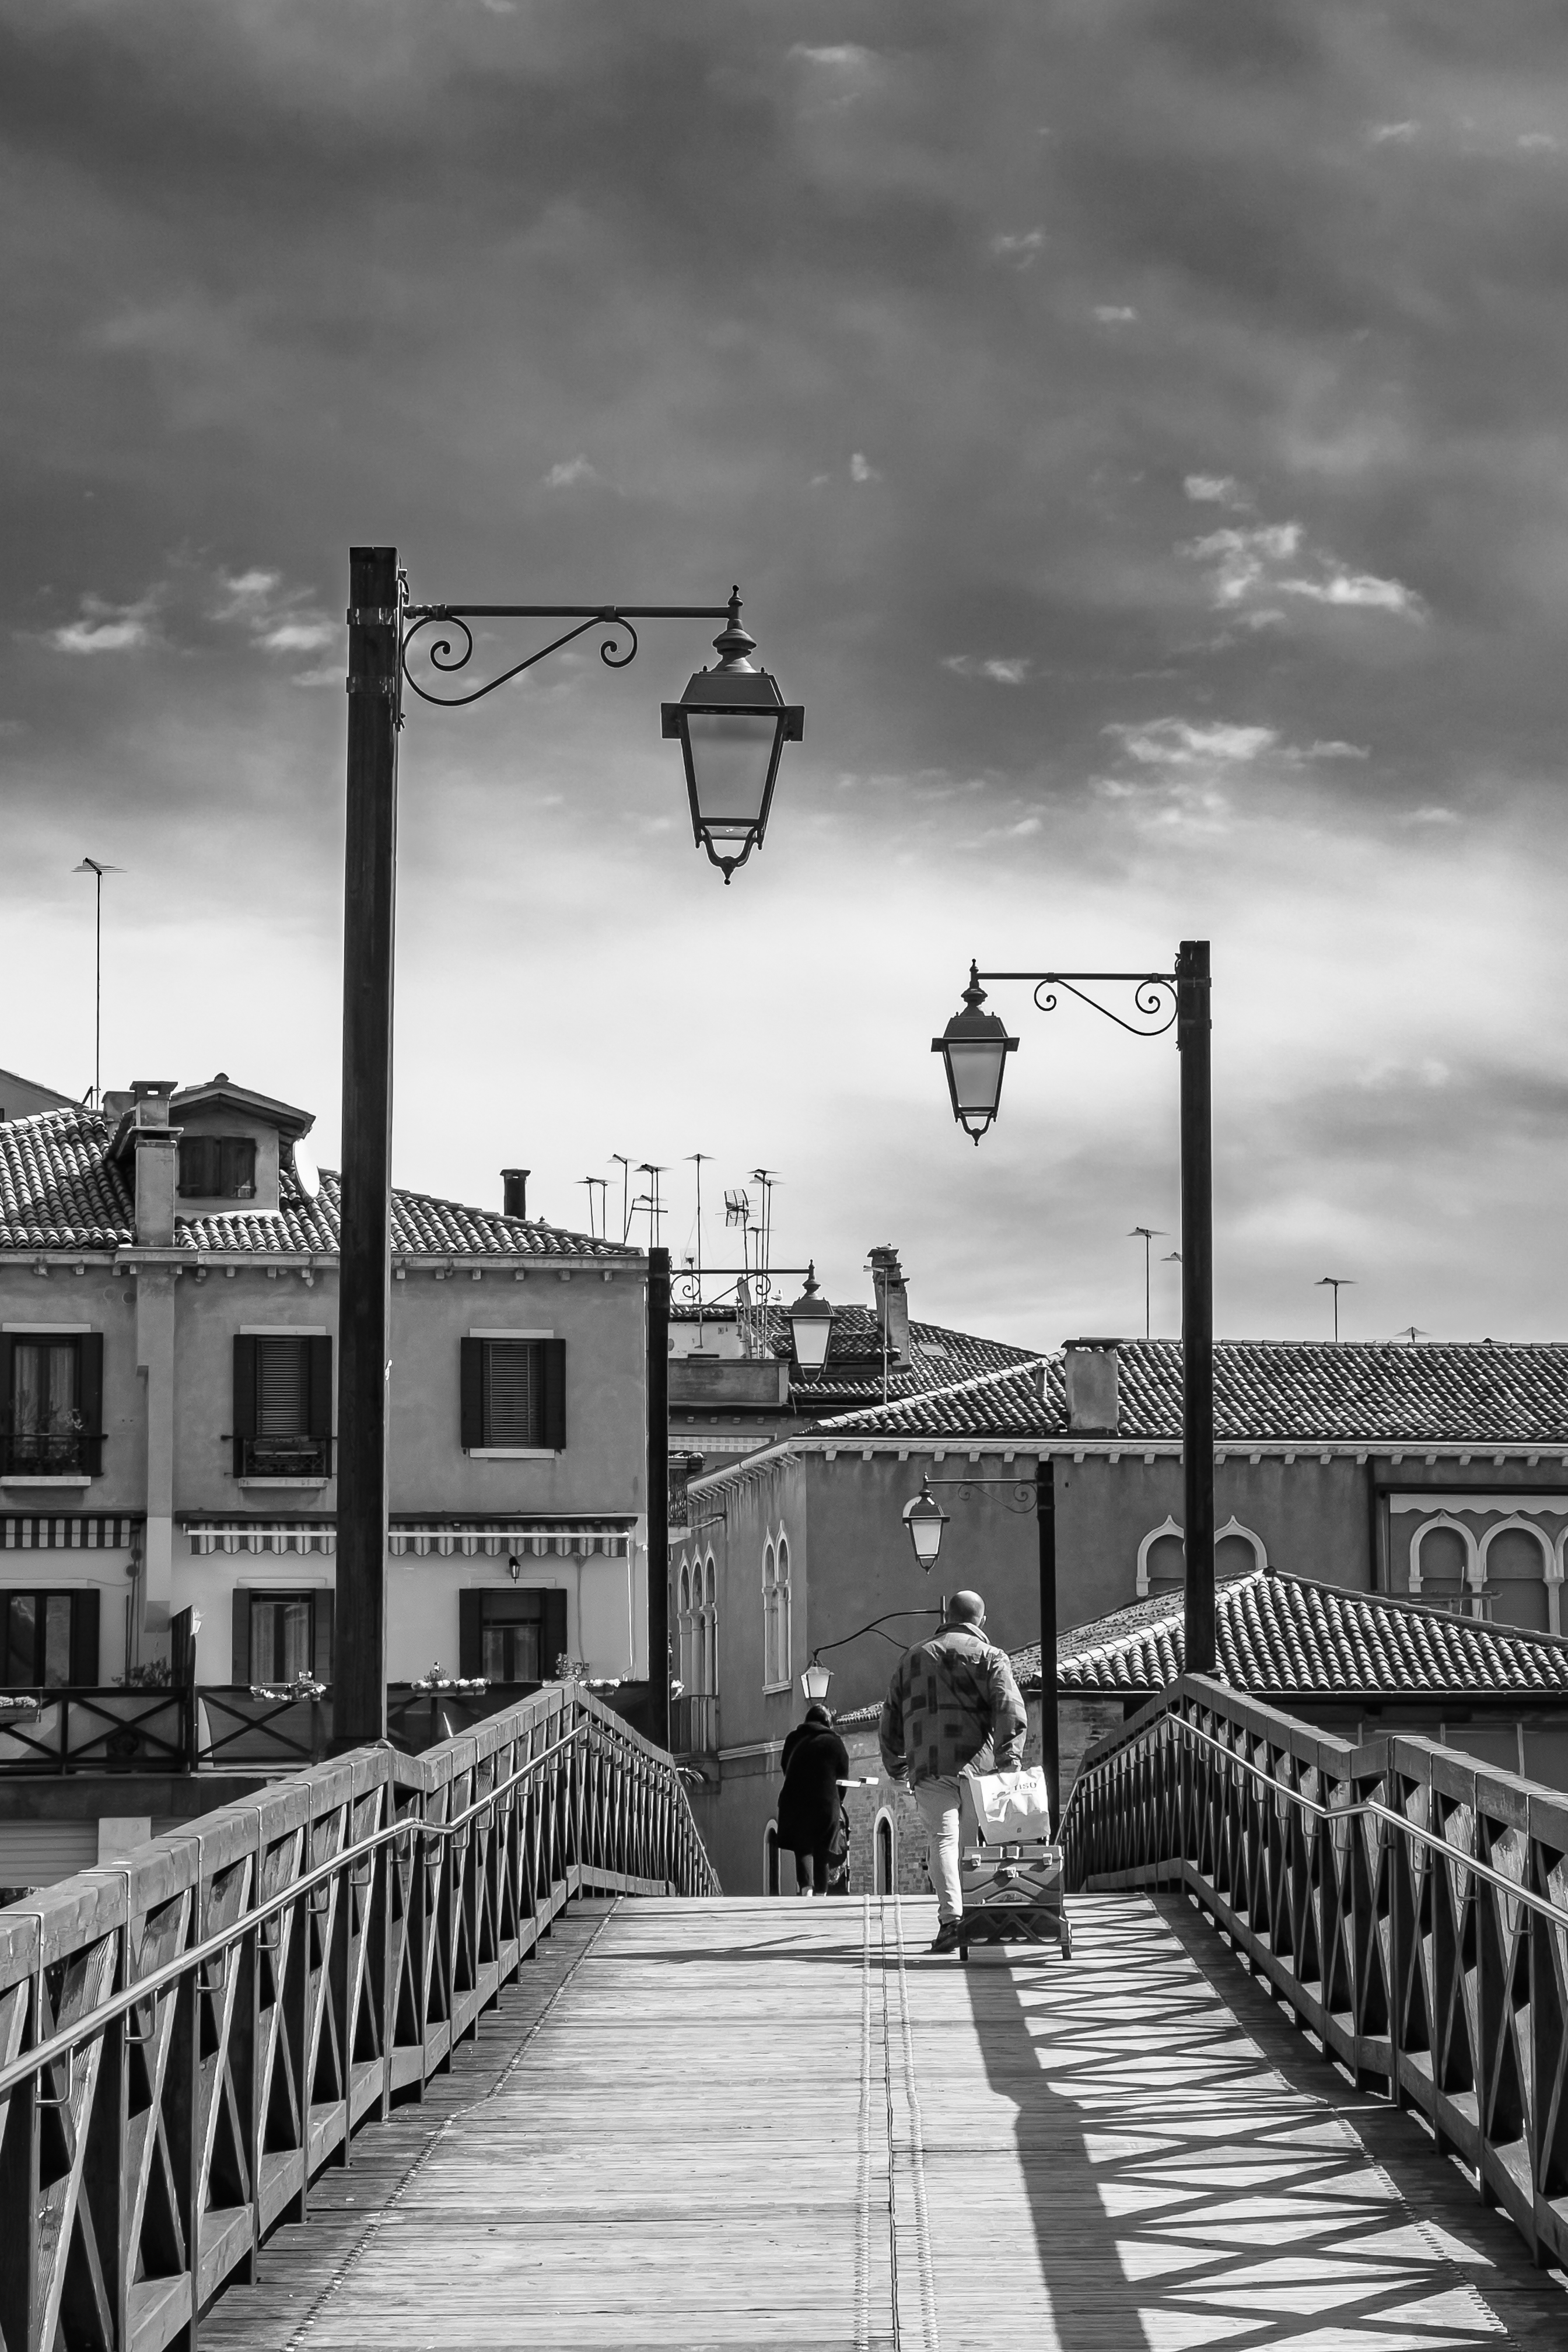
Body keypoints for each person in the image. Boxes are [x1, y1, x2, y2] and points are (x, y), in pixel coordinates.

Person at [878, 1590, 1027, 1954]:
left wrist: (896, 1763)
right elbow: (1010, 1707)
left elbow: (891, 1716)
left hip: (929, 1763)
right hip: (978, 1765)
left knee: (942, 1840)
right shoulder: (991, 1657)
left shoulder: (912, 1658)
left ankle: (952, 1921)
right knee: (970, 1844)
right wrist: (1010, 1759)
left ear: (947, 1615)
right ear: (982, 1620)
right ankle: (975, 1913)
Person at [777, 1702, 850, 1896]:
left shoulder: (793, 1739)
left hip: (795, 1801)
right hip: (825, 1803)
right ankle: (821, 1895)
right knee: (822, 1850)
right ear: (828, 1722)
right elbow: (843, 1776)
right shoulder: (834, 1742)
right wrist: (838, 1802)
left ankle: (806, 1891)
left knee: (802, 1848)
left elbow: (786, 1767)